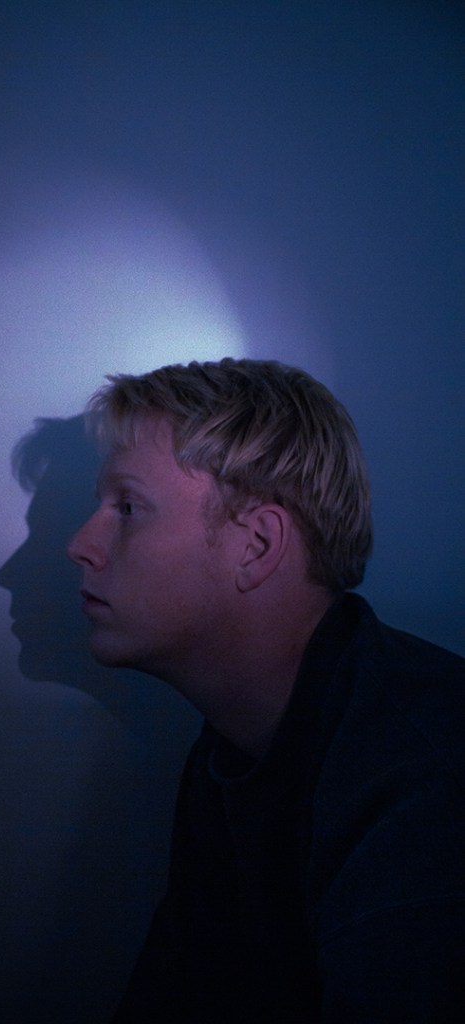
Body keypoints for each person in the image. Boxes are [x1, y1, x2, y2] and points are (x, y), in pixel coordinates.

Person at [66, 357, 465, 1023]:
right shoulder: (231, 748)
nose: (80, 544)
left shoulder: (428, 778)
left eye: (127, 508)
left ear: (255, 546)